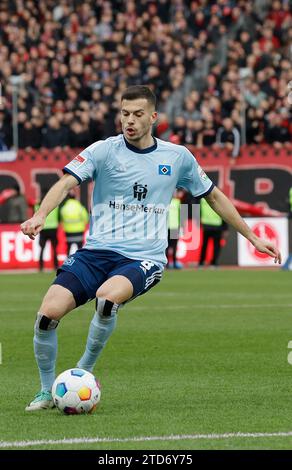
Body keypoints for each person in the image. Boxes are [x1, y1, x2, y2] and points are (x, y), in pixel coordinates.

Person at [20, 85, 281, 411]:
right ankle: (47, 392)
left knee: (106, 298)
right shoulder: (103, 150)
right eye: (124, 113)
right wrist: (41, 214)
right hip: (96, 252)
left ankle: (84, 371)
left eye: (137, 114)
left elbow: (213, 196)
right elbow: (65, 183)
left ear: (153, 117)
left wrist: (253, 237)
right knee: (46, 315)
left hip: (144, 258)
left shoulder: (177, 157)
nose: (129, 120)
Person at [198, 197, 228, 268]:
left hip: (206, 225)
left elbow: (198, 209)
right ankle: (214, 263)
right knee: (216, 246)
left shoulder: (202, 199)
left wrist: (199, 222)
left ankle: (201, 263)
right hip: (217, 225)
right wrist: (225, 228)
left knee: (205, 245)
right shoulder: (220, 199)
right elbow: (223, 214)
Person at [35, 189, 59, 272]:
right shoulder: (54, 206)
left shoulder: (38, 206)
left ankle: (41, 267)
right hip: (53, 228)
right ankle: (56, 266)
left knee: (42, 248)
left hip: (43, 229)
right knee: (54, 249)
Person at [59, 191, 89, 255]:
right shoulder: (80, 207)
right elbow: (86, 218)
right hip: (79, 231)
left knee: (68, 248)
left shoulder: (64, 208)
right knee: (80, 248)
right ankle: (80, 263)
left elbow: (62, 219)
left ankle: (68, 262)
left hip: (68, 232)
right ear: (75, 198)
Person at [166, 189, 184, 269]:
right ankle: (169, 263)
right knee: (169, 246)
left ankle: (172, 262)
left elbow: (181, 215)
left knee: (171, 246)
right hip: (169, 227)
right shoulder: (168, 202)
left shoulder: (176, 202)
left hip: (173, 227)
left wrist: (181, 225)